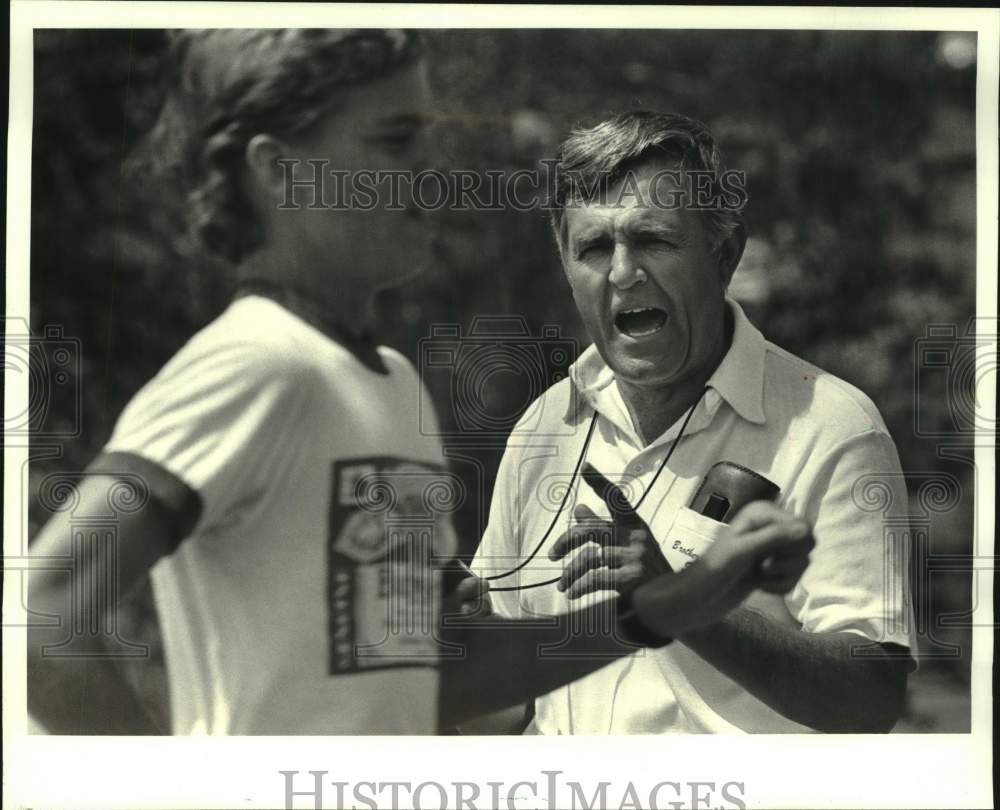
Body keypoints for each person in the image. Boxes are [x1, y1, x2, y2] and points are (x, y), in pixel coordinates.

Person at [27, 33, 813, 736]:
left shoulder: (393, 384)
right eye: (395, 140)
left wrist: (678, 602)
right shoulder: (250, 364)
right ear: (281, 172)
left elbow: (436, 681)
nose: (429, 170)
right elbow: (43, 618)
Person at [471, 110, 917, 734]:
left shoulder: (833, 426)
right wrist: (462, 639)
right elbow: (503, 715)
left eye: (654, 239)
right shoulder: (544, 425)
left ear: (725, 255)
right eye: (595, 247)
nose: (623, 273)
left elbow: (869, 697)